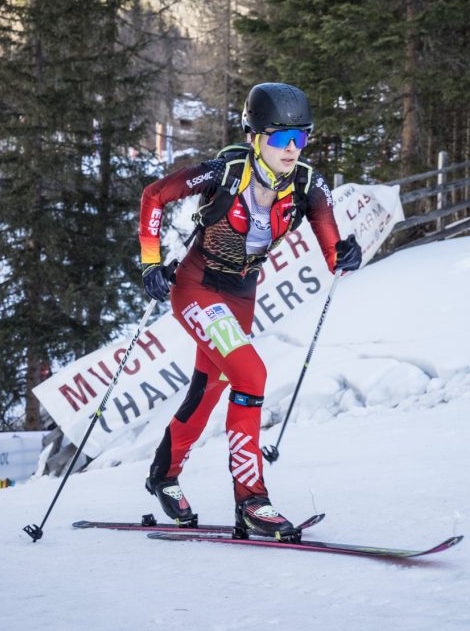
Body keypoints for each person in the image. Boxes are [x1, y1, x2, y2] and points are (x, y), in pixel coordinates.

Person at [137, 82, 362, 541]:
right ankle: (252, 501)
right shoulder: (225, 171)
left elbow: (332, 248)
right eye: (280, 138)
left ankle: (163, 475)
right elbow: (154, 196)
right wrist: (150, 262)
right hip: (197, 286)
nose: (292, 148)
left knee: (210, 388)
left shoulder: (307, 184)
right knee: (251, 374)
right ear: (255, 135)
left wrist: (346, 254)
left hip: (241, 294)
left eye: (301, 137)